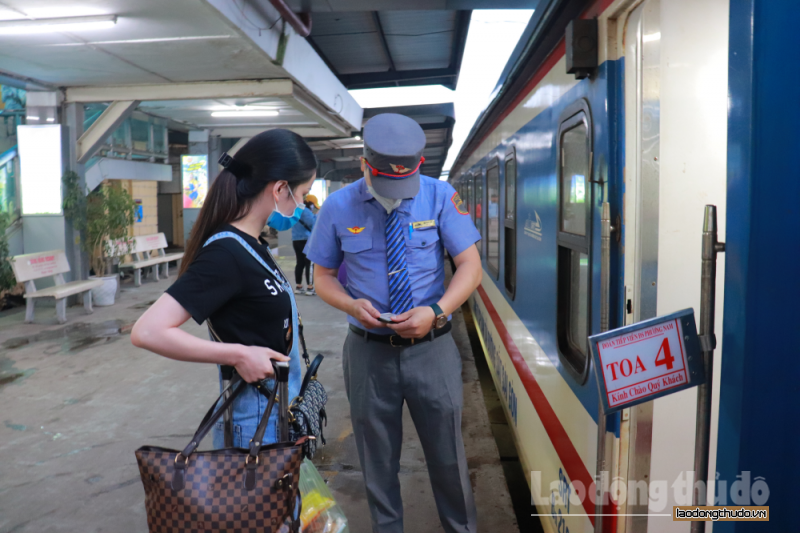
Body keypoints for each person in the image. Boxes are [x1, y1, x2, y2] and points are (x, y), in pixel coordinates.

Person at [305, 113, 483, 533]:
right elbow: (324, 277)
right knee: (377, 461)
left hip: (433, 350)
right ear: (366, 164)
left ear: (419, 166)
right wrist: (351, 306)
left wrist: (436, 311)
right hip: (368, 353)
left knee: (448, 458)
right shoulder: (337, 206)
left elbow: (469, 267)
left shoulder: (440, 197)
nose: (399, 196)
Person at [130, 129, 317, 447]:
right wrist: (238, 354)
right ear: (280, 189)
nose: (301, 206)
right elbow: (147, 331)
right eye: (302, 194)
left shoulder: (253, 243)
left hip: (278, 415)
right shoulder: (226, 253)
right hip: (256, 429)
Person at [292, 194, 319, 295]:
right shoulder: (306, 211)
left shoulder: (297, 210)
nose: (313, 208)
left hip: (296, 239)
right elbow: (313, 223)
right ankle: (310, 287)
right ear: (310, 203)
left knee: (300, 262)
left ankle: (299, 286)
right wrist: (317, 215)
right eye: (313, 205)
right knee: (309, 263)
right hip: (306, 240)